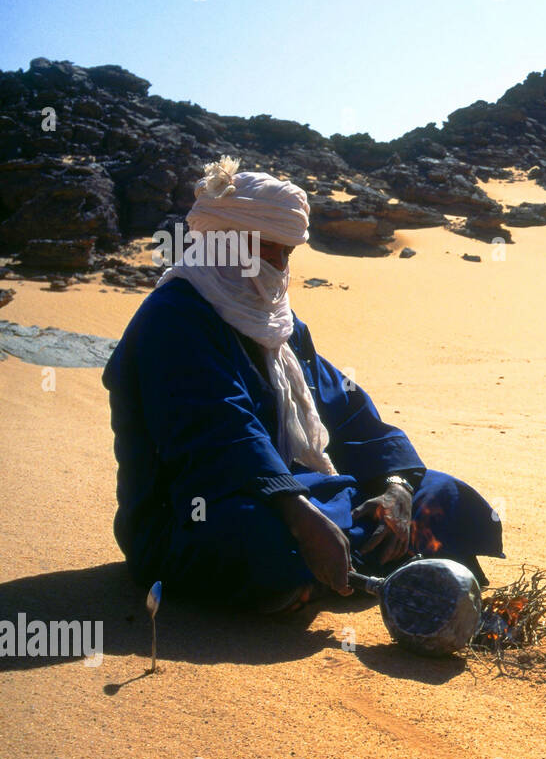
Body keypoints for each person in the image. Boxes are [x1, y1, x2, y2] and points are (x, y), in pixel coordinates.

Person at [103, 157, 503, 614]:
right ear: (222, 244)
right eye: (265, 250)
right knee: (262, 541)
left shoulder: (283, 326)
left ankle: (344, 568)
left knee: (439, 492)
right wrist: (300, 515)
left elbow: (348, 412)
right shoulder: (173, 320)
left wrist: (395, 487)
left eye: (286, 253)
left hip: (304, 490)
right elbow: (219, 434)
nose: (277, 266)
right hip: (196, 509)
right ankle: (359, 564)